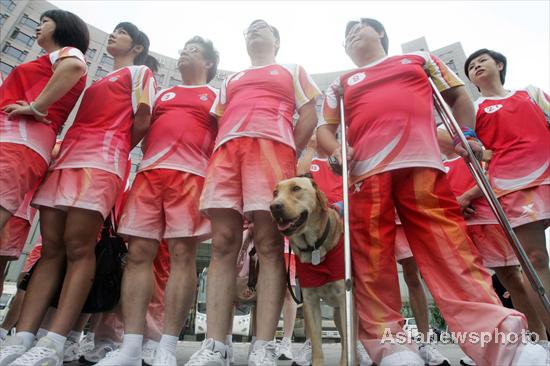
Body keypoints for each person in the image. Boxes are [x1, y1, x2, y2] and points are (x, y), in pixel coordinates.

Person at [317, 17, 546, 366]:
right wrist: (335, 150)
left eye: (357, 29)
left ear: (380, 32)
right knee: (372, 261)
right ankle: (392, 348)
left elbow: (456, 97)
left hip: (422, 165)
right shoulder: (341, 83)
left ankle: (500, 342)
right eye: (345, 36)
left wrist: (466, 135)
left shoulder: (420, 60)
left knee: (451, 252)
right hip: (367, 174)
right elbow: (326, 129)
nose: (349, 37)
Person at [0, 22, 158, 366]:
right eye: (112, 30)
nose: (114, 35)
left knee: (79, 245)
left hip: (102, 159)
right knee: (52, 247)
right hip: (67, 156)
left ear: (137, 44)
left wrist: (114, 150)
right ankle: (24, 337)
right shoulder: (96, 79)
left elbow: (143, 119)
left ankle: (55, 342)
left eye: (122, 32)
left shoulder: (140, 72)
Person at [187, 19, 320, 366]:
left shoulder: (291, 69)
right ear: (245, 40)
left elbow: (309, 114)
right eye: (250, 28)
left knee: (270, 243)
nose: (256, 30)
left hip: (273, 150)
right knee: (222, 243)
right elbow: (218, 120)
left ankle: (262, 344)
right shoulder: (229, 80)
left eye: (264, 28)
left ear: (276, 39)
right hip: (228, 152)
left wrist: (291, 152)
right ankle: (216, 344)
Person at [96, 35, 219, 366]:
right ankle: (131, 347)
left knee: (182, 254)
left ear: (208, 63)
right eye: (181, 50)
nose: (182, 55)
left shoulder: (216, 95)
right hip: (150, 174)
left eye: (191, 51)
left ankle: (165, 345)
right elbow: (142, 127)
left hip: (191, 177)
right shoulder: (161, 93)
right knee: (138, 254)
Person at [463, 48, 550, 336]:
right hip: (513, 187)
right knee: (535, 258)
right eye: (471, 67)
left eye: (482, 61)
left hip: (547, 174)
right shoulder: (474, 109)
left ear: (499, 64)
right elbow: (450, 138)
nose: (476, 66)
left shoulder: (531, 93)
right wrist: (482, 152)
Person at [0, 9, 89, 231]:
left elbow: (74, 66)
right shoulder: (49, 58)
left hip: (19, 141)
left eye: (45, 21)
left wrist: (36, 107)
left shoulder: (68, 52)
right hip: (17, 141)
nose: (39, 26)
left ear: (63, 27)